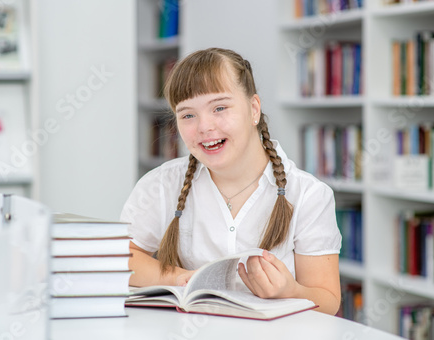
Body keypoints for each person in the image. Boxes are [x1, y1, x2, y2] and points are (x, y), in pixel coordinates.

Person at [121, 48, 342, 315]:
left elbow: (328, 301)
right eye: (188, 115)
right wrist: (182, 278)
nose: (204, 127)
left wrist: (291, 291)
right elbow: (122, 256)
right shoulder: (161, 184)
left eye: (220, 108)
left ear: (253, 110)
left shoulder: (309, 195)